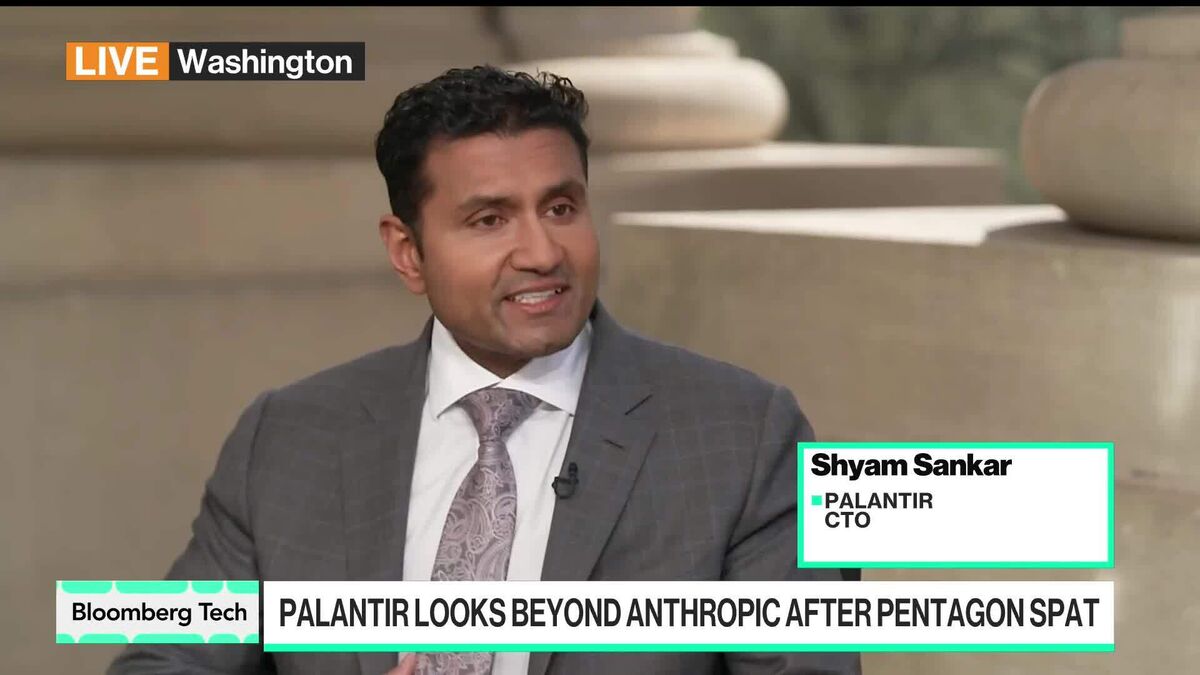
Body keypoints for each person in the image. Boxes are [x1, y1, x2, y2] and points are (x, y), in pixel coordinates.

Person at [109, 65, 860, 675]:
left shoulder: (743, 438)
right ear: (408, 252)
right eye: (490, 219)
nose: (542, 251)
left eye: (560, 208)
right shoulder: (287, 437)